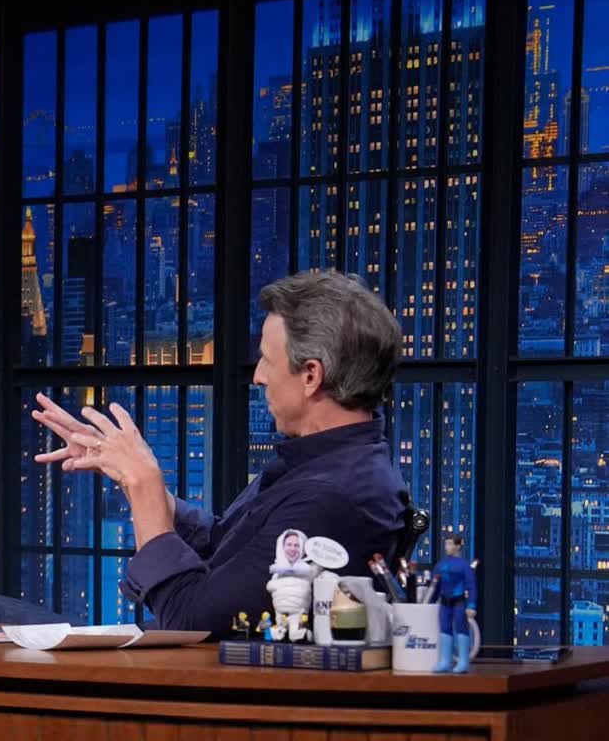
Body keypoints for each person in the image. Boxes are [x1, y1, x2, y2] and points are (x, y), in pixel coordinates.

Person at [31, 269, 405, 636]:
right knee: (3, 617)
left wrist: (144, 482)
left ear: (311, 375)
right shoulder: (325, 467)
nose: (257, 376)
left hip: (197, 667)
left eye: (267, 360)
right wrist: (130, 477)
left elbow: (189, 619)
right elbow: (221, 543)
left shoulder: (330, 497)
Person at [433, 534, 477, 673]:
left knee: (461, 628)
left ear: (458, 546)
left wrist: (471, 605)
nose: (447, 547)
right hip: (444, 602)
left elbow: (471, 586)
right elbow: (435, 586)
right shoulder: (440, 565)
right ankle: (445, 661)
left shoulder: (464, 566)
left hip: (459, 601)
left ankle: (463, 661)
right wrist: (431, 601)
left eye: (450, 544)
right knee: (445, 629)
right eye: (446, 544)